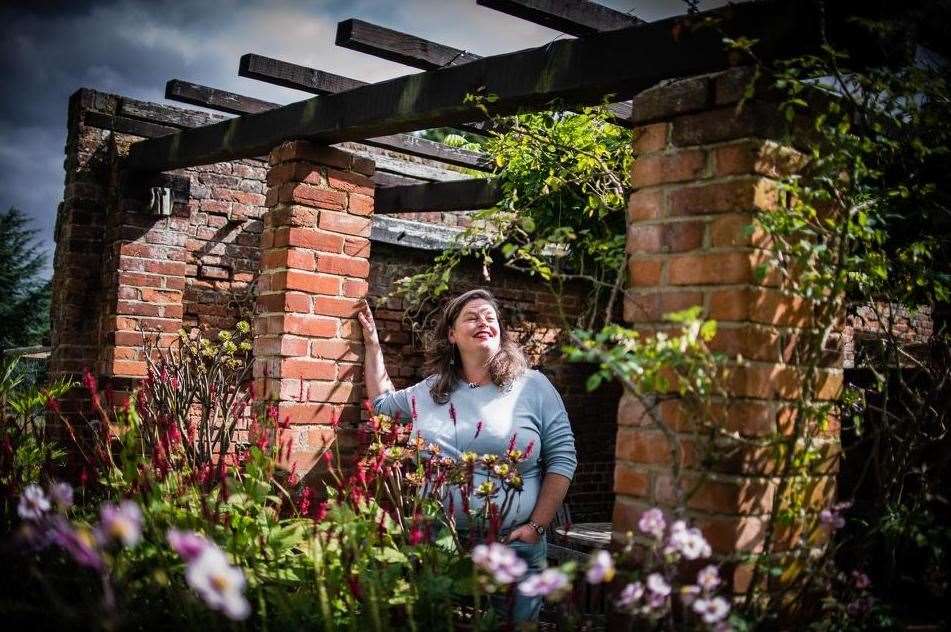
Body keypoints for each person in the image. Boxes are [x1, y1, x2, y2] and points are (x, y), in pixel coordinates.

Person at [358, 288, 577, 624]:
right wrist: (373, 345)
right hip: (438, 542)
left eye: (490, 317)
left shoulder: (533, 386)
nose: (483, 322)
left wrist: (536, 525)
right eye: (472, 317)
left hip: (512, 543)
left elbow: (563, 459)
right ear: (451, 334)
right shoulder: (431, 390)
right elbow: (383, 406)